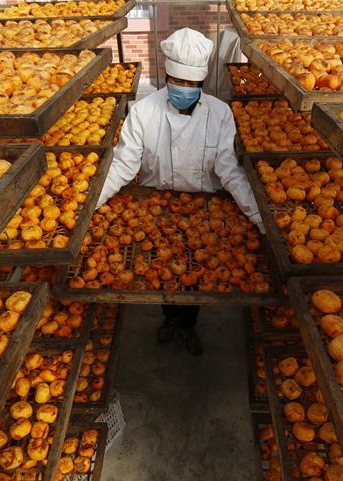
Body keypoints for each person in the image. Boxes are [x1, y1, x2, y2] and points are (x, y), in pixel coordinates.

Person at [96, 27, 262, 357]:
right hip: (157, 210)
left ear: (202, 82)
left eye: (192, 83)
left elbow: (229, 171)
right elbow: (123, 165)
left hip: (202, 213)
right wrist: (89, 205)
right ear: (167, 75)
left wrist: (259, 216)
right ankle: (169, 318)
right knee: (161, 270)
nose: (184, 89)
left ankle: (187, 324)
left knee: (195, 275)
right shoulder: (144, 112)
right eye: (178, 81)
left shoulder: (220, 114)